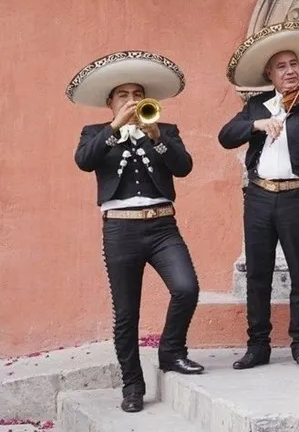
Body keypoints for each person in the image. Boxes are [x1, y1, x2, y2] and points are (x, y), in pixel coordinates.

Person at [68, 51, 203, 413]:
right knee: (126, 313)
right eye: (124, 95)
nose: (131, 100)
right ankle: (132, 384)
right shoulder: (95, 133)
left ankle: (171, 352)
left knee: (187, 287)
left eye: (137, 94)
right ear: (110, 102)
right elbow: (84, 161)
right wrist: (114, 129)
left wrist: (157, 135)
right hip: (120, 231)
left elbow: (184, 167)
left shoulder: (165, 130)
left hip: (162, 226)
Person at [218, 21, 299, 371]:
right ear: (270, 74)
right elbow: (226, 136)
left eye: (294, 65)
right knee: (258, 273)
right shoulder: (257, 105)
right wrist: (256, 125)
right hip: (259, 196)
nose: (290, 71)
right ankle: (257, 345)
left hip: (297, 196)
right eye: (282, 66)